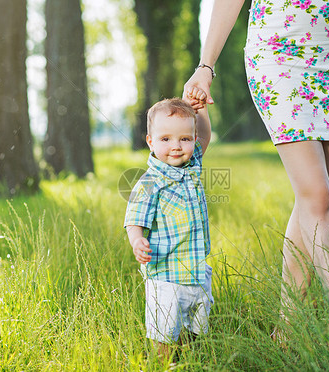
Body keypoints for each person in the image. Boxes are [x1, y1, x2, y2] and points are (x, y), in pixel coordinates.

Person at [184, 0, 329, 341]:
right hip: (278, 54)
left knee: (312, 202)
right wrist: (205, 66)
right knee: (318, 196)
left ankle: (286, 329)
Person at [124, 93, 213, 360]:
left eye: (184, 138)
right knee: (164, 333)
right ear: (151, 142)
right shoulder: (150, 183)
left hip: (197, 270)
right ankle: (163, 363)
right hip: (166, 276)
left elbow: (205, 136)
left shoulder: (192, 165)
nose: (176, 146)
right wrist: (137, 240)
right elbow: (134, 219)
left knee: (196, 330)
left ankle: (190, 360)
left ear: (192, 140)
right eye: (166, 139)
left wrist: (201, 110)